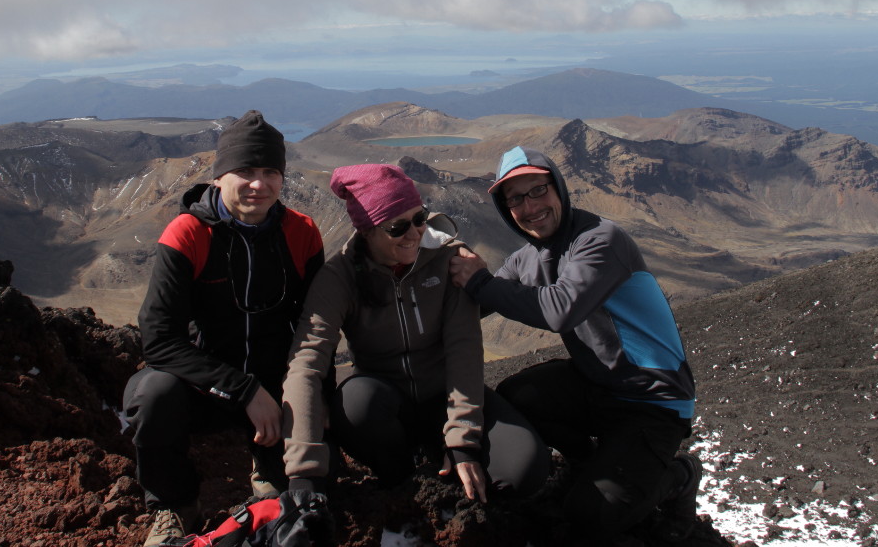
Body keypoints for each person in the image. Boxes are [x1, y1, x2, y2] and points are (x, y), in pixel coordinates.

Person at [448, 146, 701, 541]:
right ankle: (590, 461)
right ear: (504, 207)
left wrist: (479, 280)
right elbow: (480, 302)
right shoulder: (528, 257)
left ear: (559, 188)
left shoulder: (600, 240)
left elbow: (559, 310)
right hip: (595, 384)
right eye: (515, 198)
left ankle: (679, 477)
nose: (530, 207)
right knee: (516, 396)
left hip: (652, 401)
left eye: (538, 191)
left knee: (591, 516)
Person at [282, 163, 549, 508]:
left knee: (524, 470)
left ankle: (445, 457)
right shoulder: (340, 278)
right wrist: (303, 472)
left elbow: (463, 347)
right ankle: (401, 481)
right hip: (386, 407)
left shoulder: (448, 260)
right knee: (356, 402)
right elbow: (306, 362)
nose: (414, 234)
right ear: (366, 231)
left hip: (445, 395)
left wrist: (464, 442)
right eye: (397, 227)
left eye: (420, 218)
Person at [123, 111, 325, 547]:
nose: (259, 183)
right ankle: (175, 506)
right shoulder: (188, 233)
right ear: (219, 177)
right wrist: (244, 391)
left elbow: (314, 324)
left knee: (307, 492)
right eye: (245, 171)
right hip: (206, 386)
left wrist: (289, 389)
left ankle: (268, 467)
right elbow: (159, 340)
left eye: (271, 171)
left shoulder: (302, 232)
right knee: (151, 396)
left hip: (277, 386)